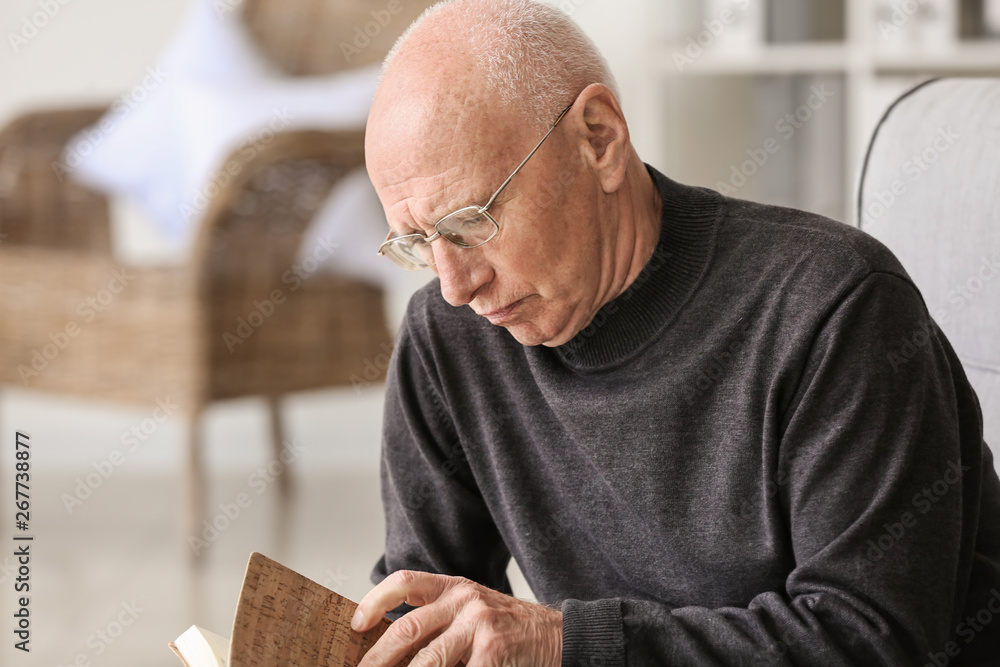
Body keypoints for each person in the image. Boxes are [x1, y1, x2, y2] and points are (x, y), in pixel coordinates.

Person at [348, 1, 1000, 664]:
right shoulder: (448, 336)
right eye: (418, 242)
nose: (456, 284)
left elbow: (871, 641)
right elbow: (422, 613)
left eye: (468, 222)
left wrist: (569, 643)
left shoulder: (834, 309)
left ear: (598, 138)